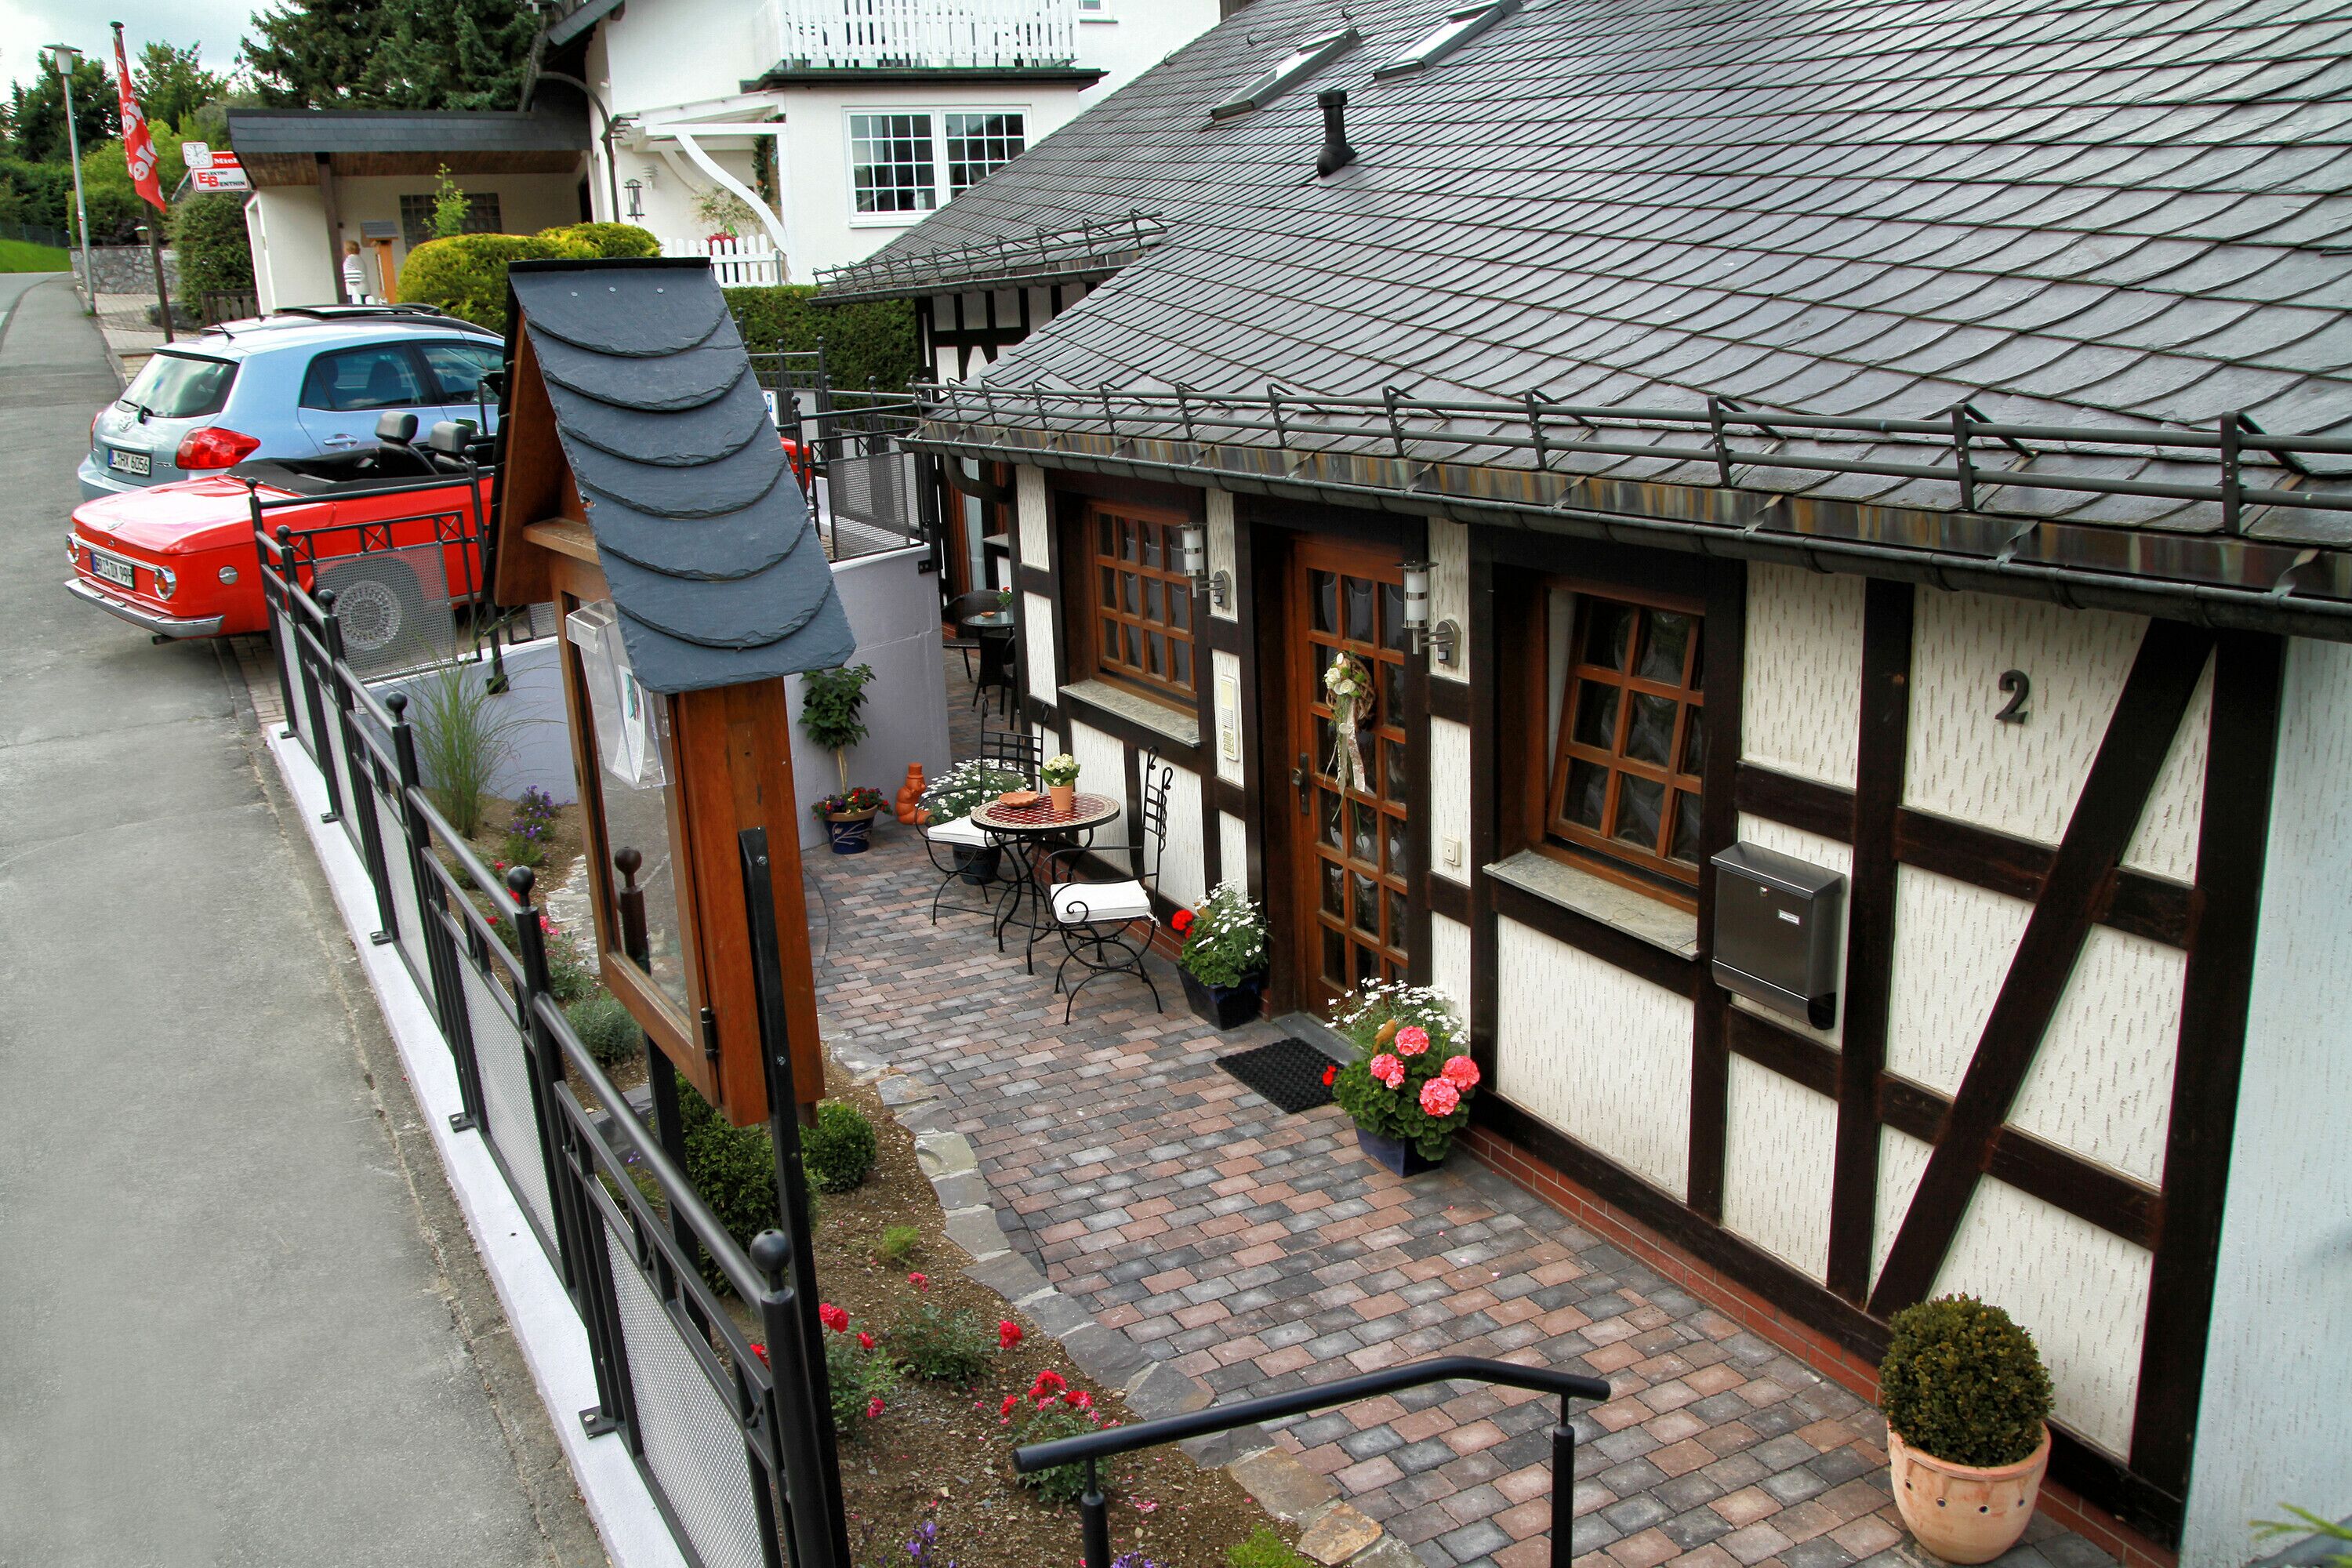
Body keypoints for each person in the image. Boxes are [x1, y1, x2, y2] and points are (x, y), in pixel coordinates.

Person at [341, 240, 369, 304]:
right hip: (364, 289)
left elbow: (350, 277)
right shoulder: (360, 259)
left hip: (354, 291)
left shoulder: (349, 260)